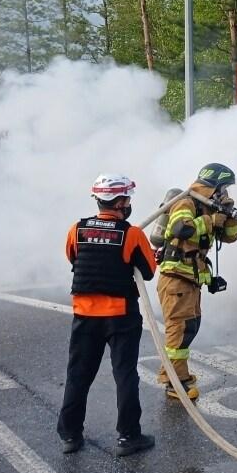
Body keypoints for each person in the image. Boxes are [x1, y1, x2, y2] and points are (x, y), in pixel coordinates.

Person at [58, 175, 157, 457]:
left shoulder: (76, 229)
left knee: (78, 374)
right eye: (128, 200)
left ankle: (70, 435)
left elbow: (73, 258)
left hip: (85, 315)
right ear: (121, 202)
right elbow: (148, 271)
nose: (129, 205)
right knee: (125, 374)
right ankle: (128, 437)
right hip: (120, 316)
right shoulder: (132, 234)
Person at [156, 163, 237, 400]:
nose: (226, 193)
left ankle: (174, 373)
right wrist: (211, 221)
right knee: (178, 331)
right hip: (176, 279)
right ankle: (175, 383)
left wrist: (228, 215)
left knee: (189, 327)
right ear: (214, 185)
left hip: (190, 280)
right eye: (224, 188)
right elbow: (179, 229)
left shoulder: (208, 207)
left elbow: (231, 237)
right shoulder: (187, 202)